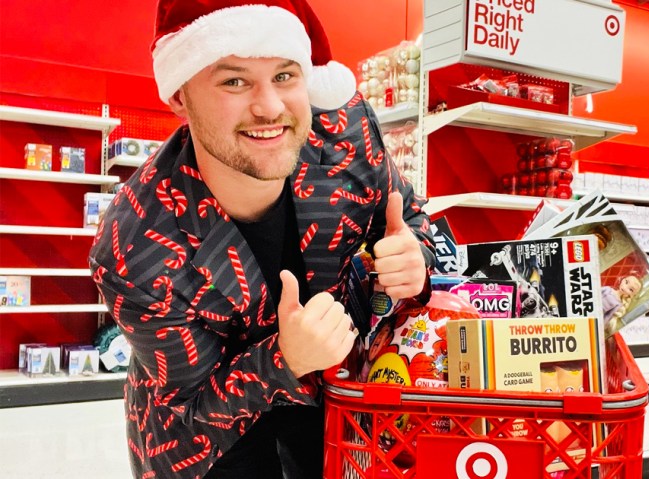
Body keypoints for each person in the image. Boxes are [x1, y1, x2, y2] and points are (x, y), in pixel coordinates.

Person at [88, 1, 434, 477]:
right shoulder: (136, 246)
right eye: (235, 81)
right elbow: (191, 412)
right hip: (212, 439)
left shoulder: (346, 135)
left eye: (285, 77)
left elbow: (414, 221)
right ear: (179, 97)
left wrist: (413, 257)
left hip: (339, 401)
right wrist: (282, 359)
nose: (269, 107)